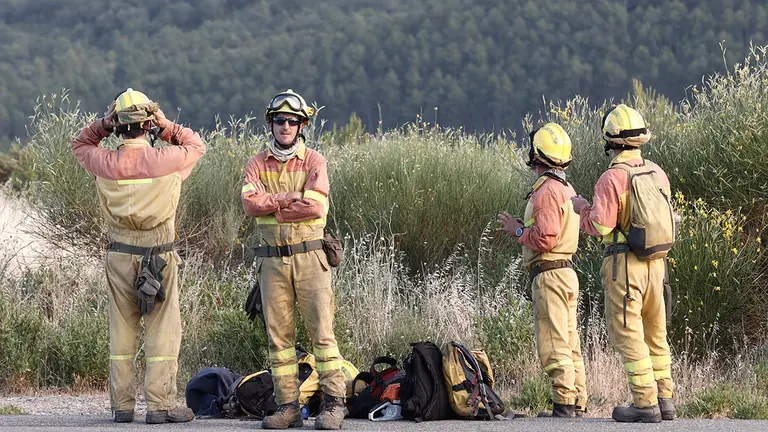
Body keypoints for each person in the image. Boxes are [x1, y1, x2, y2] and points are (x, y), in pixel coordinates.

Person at [71, 88, 206, 424]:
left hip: (119, 254)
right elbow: (196, 145)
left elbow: (80, 144)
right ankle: (160, 406)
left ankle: (123, 406)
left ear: (118, 126)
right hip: (159, 255)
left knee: (122, 330)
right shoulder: (168, 160)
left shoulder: (104, 163)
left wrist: (102, 124)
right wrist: (166, 127)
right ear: (148, 125)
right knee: (162, 329)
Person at [241, 90, 346, 430]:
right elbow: (249, 205)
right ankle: (288, 407)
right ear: (270, 124)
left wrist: (271, 203)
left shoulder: (315, 161)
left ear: (302, 126)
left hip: (310, 257)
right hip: (272, 262)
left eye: (293, 121)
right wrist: (290, 198)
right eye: (280, 121)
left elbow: (315, 206)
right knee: (279, 339)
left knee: (323, 334)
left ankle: (334, 405)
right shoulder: (256, 163)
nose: (286, 126)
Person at [571, 104, 675, 423]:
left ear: (610, 141)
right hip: (657, 264)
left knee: (628, 333)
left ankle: (645, 404)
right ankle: (665, 399)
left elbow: (601, 226)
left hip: (624, 266)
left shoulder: (612, 177)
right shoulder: (657, 172)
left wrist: (582, 209)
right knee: (656, 333)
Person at [497, 123, 588, 418]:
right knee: (570, 341)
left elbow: (546, 237)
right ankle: (576, 401)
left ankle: (563, 404)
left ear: (536, 156)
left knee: (553, 341)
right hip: (566, 273)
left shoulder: (547, 191)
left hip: (550, 274)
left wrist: (518, 230)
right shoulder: (566, 188)